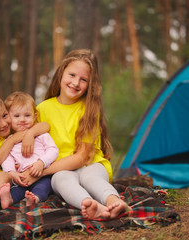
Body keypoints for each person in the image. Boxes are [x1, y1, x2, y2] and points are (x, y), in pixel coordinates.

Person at [22, 49, 130, 219]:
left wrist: (42, 172)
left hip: (90, 164)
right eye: (71, 75)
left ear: (90, 84)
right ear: (61, 74)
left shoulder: (88, 110)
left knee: (89, 178)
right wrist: (28, 136)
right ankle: (90, 206)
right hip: (59, 169)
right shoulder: (42, 109)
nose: (75, 82)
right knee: (60, 180)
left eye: (83, 79)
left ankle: (113, 201)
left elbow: (82, 157)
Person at [0, 92, 58, 208]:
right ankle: (8, 199)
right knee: (16, 190)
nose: (22, 120)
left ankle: (35, 198)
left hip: (41, 174)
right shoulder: (10, 140)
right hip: (21, 177)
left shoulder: (41, 135)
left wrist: (41, 162)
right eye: (16, 116)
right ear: (8, 118)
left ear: (34, 117)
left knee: (44, 186)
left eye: (27, 115)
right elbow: (6, 158)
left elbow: (53, 150)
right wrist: (12, 173)